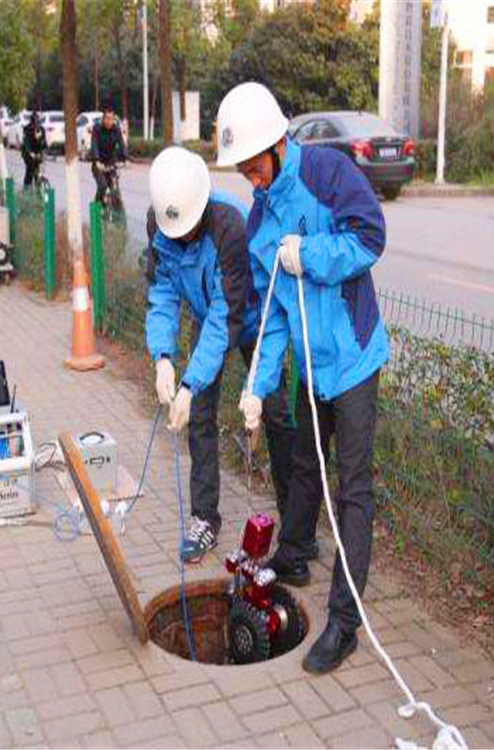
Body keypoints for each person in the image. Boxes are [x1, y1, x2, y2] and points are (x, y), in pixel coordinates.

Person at [216, 82, 389, 673]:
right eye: (242, 172)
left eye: (254, 167)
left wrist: (309, 254)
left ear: (276, 144)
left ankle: (343, 624)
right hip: (312, 369)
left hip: (355, 359)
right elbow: (274, 318)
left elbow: (371, 238)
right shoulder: (261, 220)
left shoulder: (328, 172)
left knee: (353, 492)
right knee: (304, 468)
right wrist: (256, 390)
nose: (251, 180)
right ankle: (292, 553)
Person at [145, 146, 295, 563]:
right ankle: (204, 518)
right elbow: (161, 293)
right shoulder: (161, 223)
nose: (183, 237)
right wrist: (162, 356)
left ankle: (295, 525)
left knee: (278, 414)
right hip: (205, 315)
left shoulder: (229, 225)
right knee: (199, 419)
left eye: (188, 230)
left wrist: (191, 381)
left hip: (246, 319)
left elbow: (224, 317)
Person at [89, 103, 126, 204]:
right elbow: (94, 145)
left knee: (115, 190)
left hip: (111, 163)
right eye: (107, 118)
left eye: (112, 118)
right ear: (103, 119)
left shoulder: (116, 129)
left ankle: (118, 216)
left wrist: (124, 159)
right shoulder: (97, 129)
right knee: (103, 186)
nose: (109, 121)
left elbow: (121, 144)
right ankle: (97, 209)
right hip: (99, 164)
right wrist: (96, 160)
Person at [21, 111, 46, 188]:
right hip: (28, 153)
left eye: (38, 122)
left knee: (38, 170)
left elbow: (44, 142)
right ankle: (26, 188)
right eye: (35, 122)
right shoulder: (27, 129)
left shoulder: (41, 129)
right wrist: (30, 153)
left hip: (38, 152)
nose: (36, 125)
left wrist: (44, 150)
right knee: (30, 170)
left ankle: (38, 187)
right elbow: (26, 143)